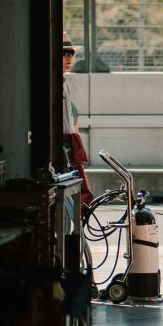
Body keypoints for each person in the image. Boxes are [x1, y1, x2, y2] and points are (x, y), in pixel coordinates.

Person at [61, 31, 93, 204]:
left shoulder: (64, 82)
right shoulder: (54, 83)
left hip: (67, 144)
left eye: (71, 53)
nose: (69, 57)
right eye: (64, 53)